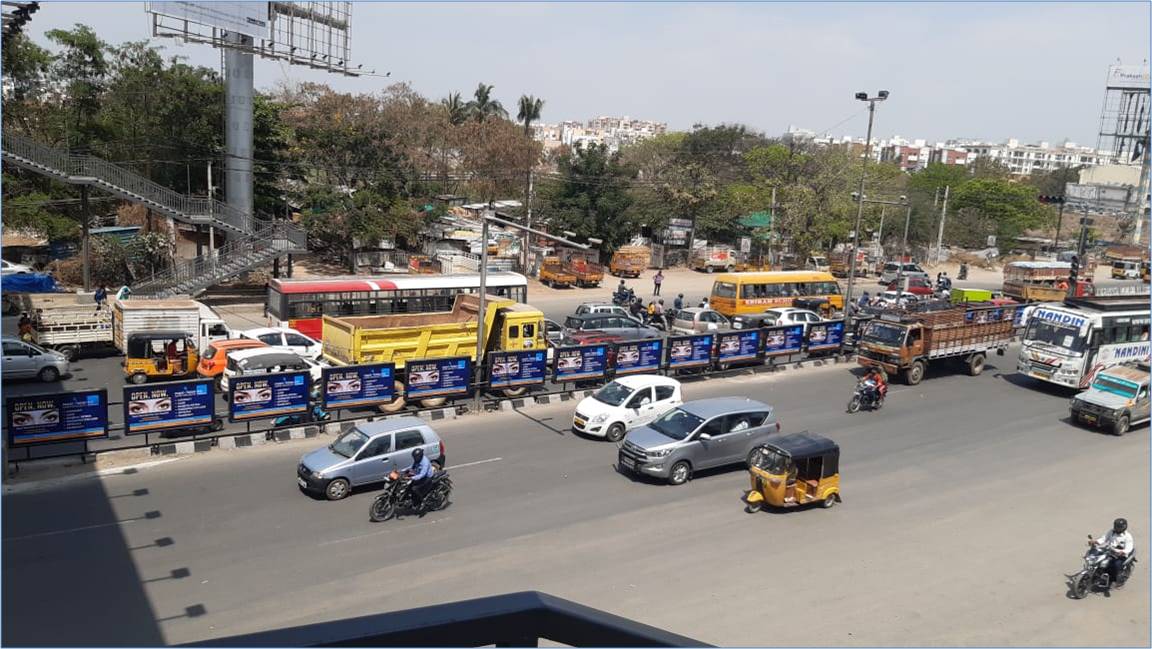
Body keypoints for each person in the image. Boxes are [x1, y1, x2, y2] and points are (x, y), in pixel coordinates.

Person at [1093, 518, 1133, 591]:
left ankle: (1114, 581)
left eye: (1118, 527)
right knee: (1097, 558)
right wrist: (1096, 542)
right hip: (1109, 551)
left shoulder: (1127, 536)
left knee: (1115, 565)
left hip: (1120, 555)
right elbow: (1104, 538)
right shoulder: (1111, 532)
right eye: (1116, 526)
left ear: (1123, 527)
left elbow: (1129, 548)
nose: (1116, 528)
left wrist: (1123, 552)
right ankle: (1097, 575)